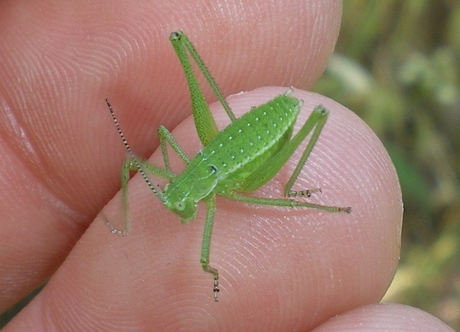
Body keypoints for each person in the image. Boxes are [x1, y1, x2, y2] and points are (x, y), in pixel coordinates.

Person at [0, 1, 453, 330]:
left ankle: (298, 187)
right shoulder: (175, 181)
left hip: (252, 156)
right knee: (162, 137)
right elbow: (138, 158)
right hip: (222, 148)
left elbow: (206, 261)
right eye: (175, 199)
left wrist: (214, 274)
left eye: (177, 199)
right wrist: (123, 220)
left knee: (304, 134)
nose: (177, 205)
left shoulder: (216, 203)